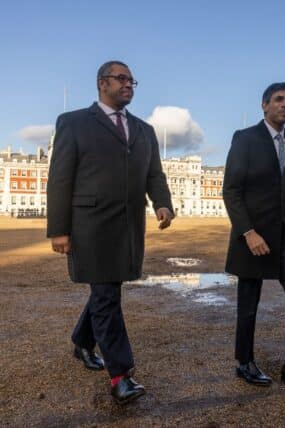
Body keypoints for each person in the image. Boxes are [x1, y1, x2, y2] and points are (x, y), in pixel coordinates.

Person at [47, 60, 174, 404]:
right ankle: (120, 375)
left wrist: (162, 203)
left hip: (129, 226)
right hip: (89, 226)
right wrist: (59, 229)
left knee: (106, 290)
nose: (129, 85)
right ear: (102, 83)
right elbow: (60, 178)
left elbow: (154, 175)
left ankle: (82, 342)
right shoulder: (73, 123)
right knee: (106, 296)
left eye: (132, 80)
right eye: (122, 79)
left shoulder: (145, 130)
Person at [223, 82, 285, 389]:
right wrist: (248, 233)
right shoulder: (245, 139)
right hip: (252, 233)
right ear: (264, 105)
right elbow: (231, 190)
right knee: (249, 302)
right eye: (279, 100)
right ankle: (244, 362)